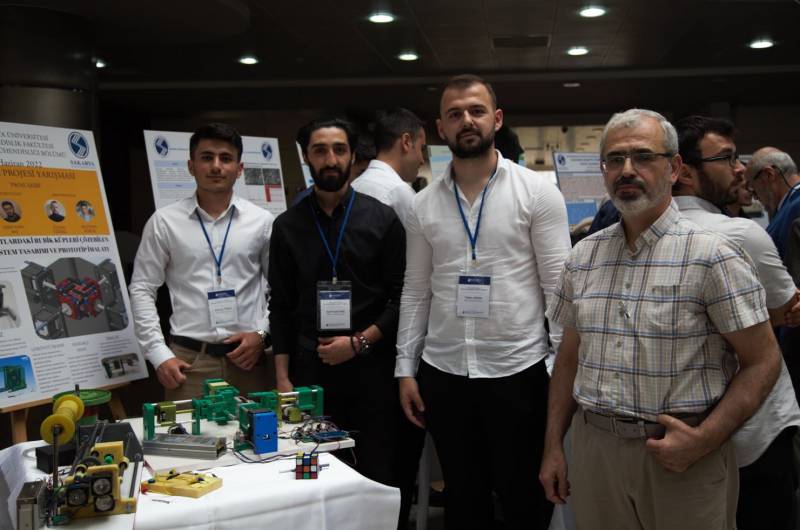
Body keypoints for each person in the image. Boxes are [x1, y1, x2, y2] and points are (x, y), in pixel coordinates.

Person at [540, 108, 782, 530]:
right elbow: (569, 359)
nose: (626, 170)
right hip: (595, 452)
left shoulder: (713, 255)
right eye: (615, 159)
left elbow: (763, 361)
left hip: (682, 456)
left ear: (673, 168)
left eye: (642, 157)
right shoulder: (583, 257)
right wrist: (553, 447)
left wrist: (706, 438)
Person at [396, 74, 571, 530]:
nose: (466, 121)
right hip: (445, 372)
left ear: (496, 119)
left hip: (520, 371)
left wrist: (560, 371)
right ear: (441, 128)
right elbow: (416, 290)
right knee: (463, 499)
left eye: (476, 111)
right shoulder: (422, 205)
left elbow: (558, 288)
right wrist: (405, 369)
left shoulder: (537, 193)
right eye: (454, 114)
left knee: (524, 500)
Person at [268, 117, 409, 529]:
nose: (330, 159)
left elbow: (402, 296)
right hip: (309, 375)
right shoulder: (287, 226)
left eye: (339, 149)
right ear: (306, 157)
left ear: (352, 156)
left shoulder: (383, 219)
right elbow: (281, 305)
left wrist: (360, 342)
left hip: (372, 370)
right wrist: (282, 379)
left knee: (377, 472)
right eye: (320, 150)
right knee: (311, 474)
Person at [673, 115, 800, 530]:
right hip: (755, 432)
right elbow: (787, 307)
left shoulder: (649, 232)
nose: (740, 168)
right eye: (726, 159)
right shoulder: (741, 234)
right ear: (685, 172)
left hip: (682, 432)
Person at [129, 123, 274, 400]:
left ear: (239, 169)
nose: (216, 166)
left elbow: (280, 289)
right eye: (207, 157)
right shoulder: (164, 222)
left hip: (248, 361)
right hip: (189, 365)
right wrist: (158, 354)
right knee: (188, 430)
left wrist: (262, 334)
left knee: (257, 429)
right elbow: (142, 289)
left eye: (226, 158)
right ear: (191, 166)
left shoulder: (262, 221)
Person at [351, 108, 426, 226]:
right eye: (422, 148)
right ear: (406, 142)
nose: (422, 160)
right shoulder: (399, 193)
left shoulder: (354, 185)